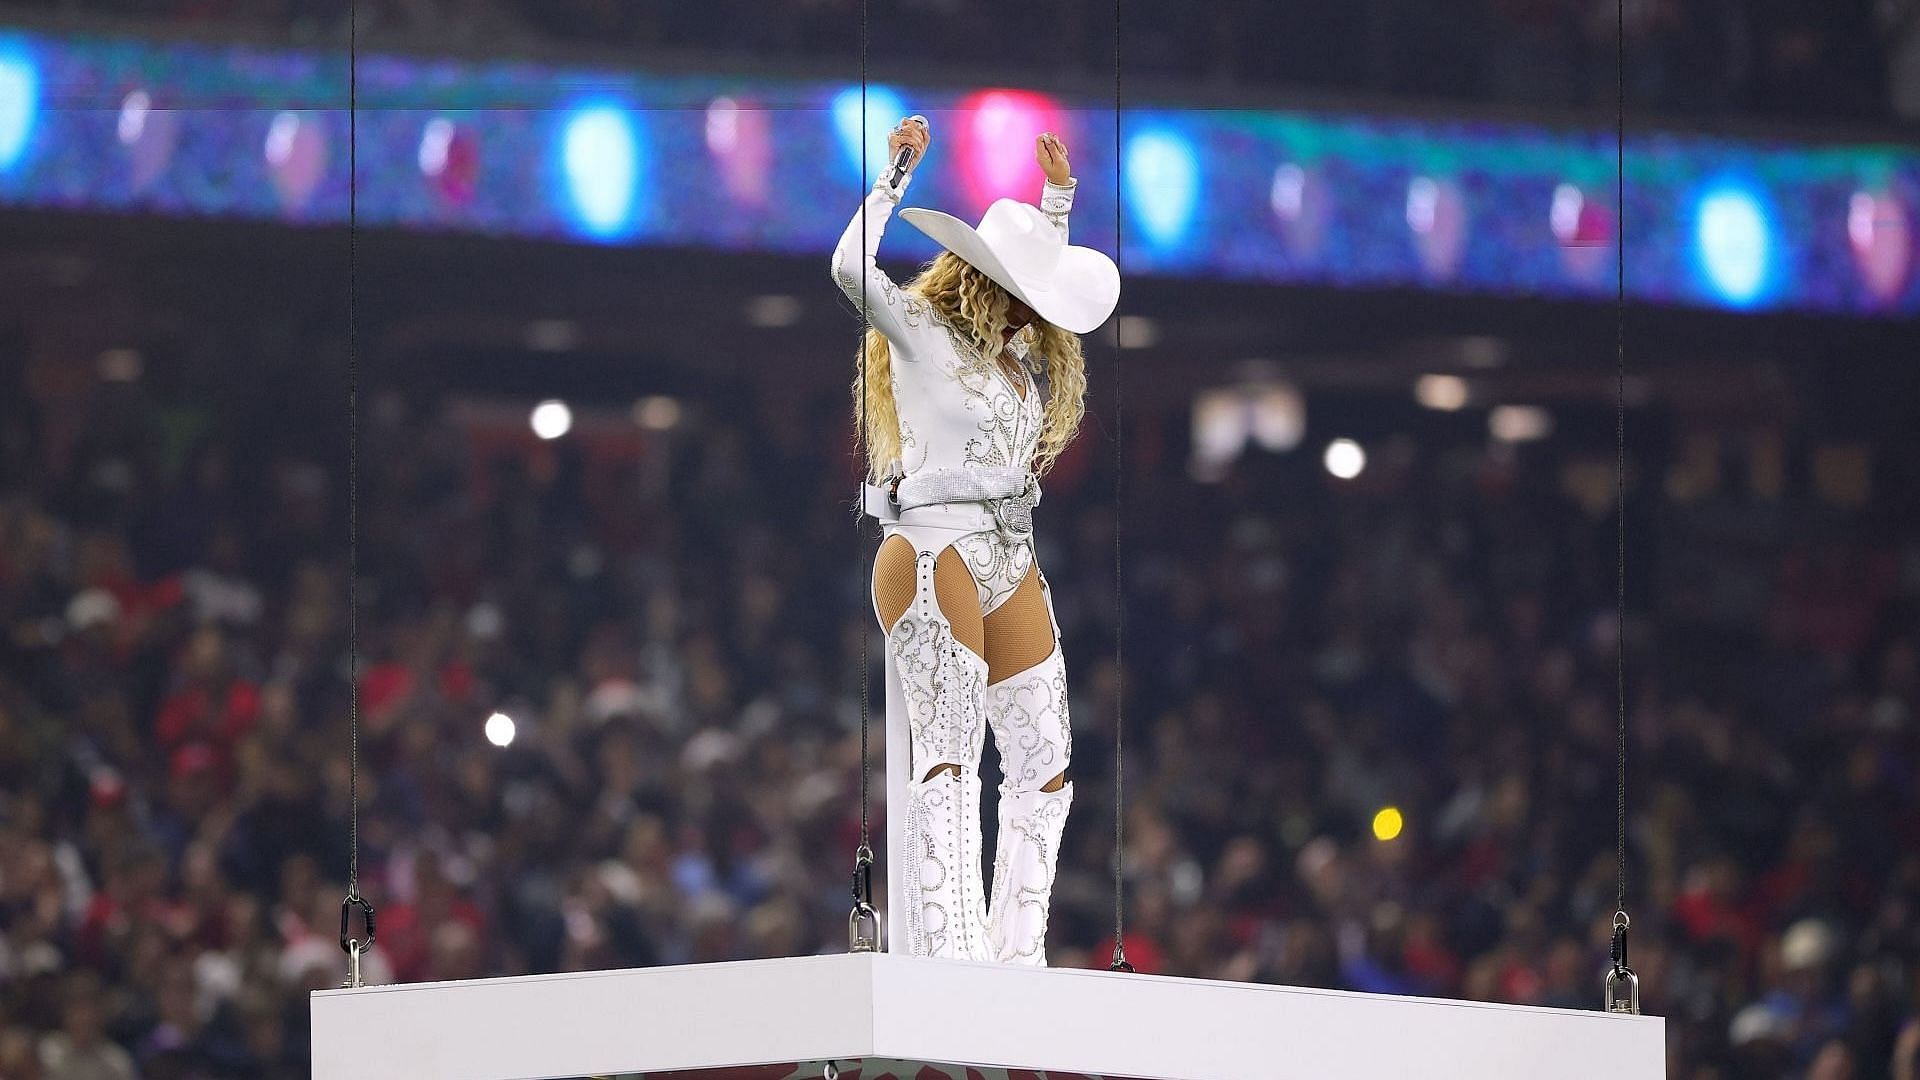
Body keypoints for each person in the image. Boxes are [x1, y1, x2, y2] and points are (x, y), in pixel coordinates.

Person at [831, 116, 1119, 964]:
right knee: (948, 758)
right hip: (930, 546)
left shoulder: (1017, 364)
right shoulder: (921, 335)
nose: (1037, 316)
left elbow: (1043, 270)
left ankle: (1014, 955)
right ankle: (950, 959)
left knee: (1046, 762)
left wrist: (1055, 204)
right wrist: (893, 179)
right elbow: (850, 269)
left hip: (1009, 552)